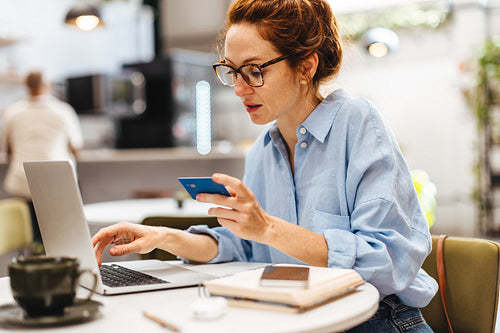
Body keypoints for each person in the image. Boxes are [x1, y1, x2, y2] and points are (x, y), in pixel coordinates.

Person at [92, 1, 438, 331]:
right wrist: (161, 237)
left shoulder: (357, 122)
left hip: (373, 319)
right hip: (293, 318)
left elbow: (386, 260)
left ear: (306, 66)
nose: (240, 89)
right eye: (232, 71)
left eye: (255, 71)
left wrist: (268, 229)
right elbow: (242, 245)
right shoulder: (262, 150)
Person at [1, 71, 83, 246]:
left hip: (23, 181)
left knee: (32, 234)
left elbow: (7, 150)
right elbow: (76, 148)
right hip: (57, 181)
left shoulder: (12, 111)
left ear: (26, 86)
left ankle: (36, 256)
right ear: (49, 86)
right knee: (58, 235)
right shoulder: (63, 111)